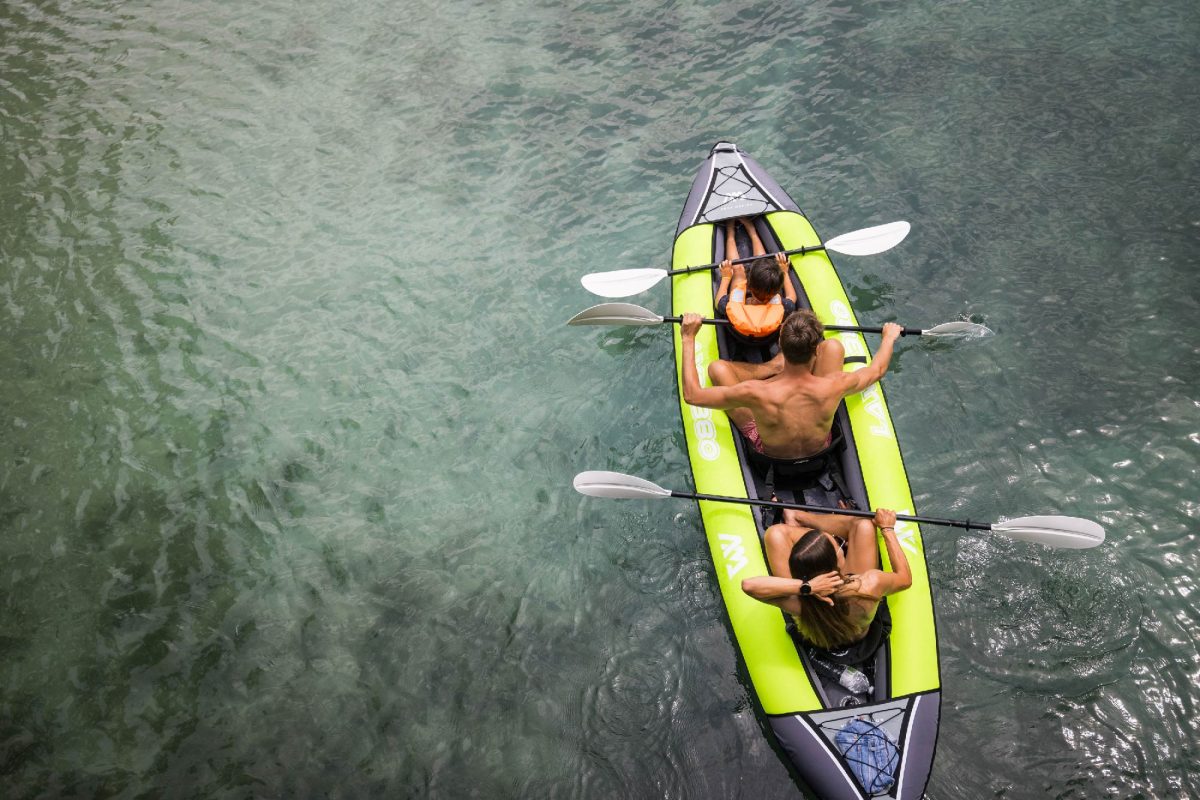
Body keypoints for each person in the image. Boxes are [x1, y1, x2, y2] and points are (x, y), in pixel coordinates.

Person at [679, 311, 903, 458]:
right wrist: (888, 338)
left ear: (780, 344)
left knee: (717, 369)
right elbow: (877, 370)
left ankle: (773, 369)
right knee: (834, 347)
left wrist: (688, 338)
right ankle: (777, 369)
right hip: (820, 450)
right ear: (816, 349)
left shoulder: (755, 392)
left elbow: (692, 395)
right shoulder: (836, 385)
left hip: (770, 453)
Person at [740, 508, 911, 650]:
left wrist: (807, 587)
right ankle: (800, 516)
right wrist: (887, 529)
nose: (838, 542)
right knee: (864, 524)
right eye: (837, 544)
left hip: (817, 623)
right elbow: (904, 579)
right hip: (856, 631)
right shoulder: (868, 585)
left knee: (775, 533)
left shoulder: (797, 602)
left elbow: (749, 586)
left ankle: (797, 517)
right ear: (839, 560)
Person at [714, 218, 797, 343]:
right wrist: (784, 271)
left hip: (741, 336)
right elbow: (792, 297)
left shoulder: (728, 305)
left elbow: (718, 301)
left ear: (749, 286)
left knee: (738, 271)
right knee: (761, 263)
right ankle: (752, 232)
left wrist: (726, 277)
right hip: (767, 337)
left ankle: (730, 234)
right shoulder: (785, 306)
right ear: (777, 290)